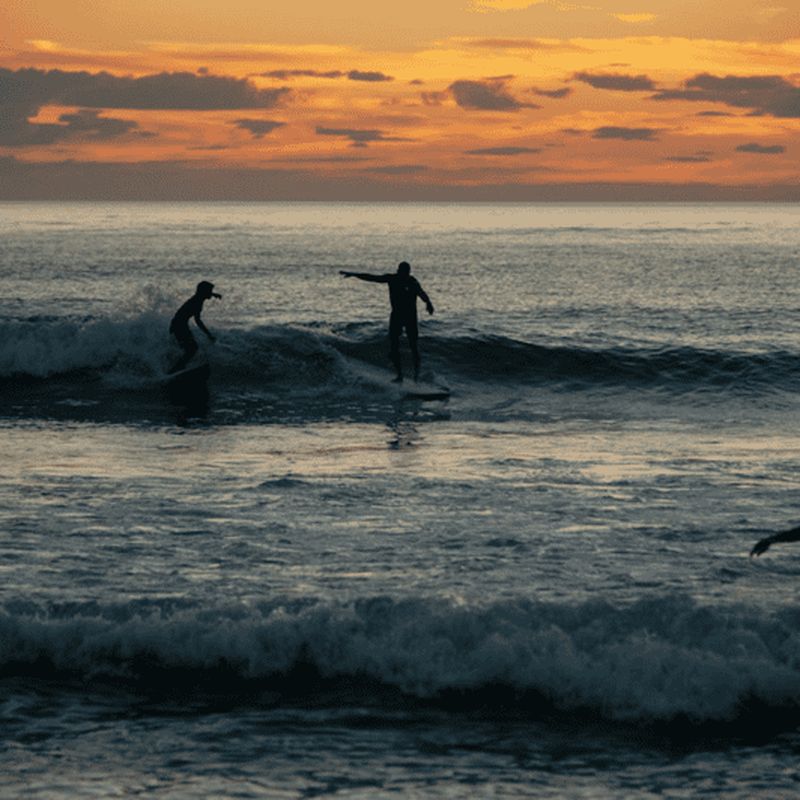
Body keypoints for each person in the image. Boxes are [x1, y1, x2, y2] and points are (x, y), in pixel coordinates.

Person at [340, 261, 434, 382]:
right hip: (397, 316)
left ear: (408, 272)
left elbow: (421, 293)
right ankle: (399, 375)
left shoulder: (412, 281)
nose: (404, 274)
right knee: (394, 346)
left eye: (406, 272)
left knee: (413, 346)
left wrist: (428, 303)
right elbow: (372, 278)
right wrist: (355, 274)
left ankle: (416, 376)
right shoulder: (392, 279)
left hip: (410, 317)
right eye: (402, 271)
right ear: (398, 270)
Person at [168, 280, 221, 373]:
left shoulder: (198, 298)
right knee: (192, 349)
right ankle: (175, 370)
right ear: (204, 292)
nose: (211, 293)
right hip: (179, 326)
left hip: (179, 324)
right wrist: (208, 334)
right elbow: (198, 321)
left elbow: (204, 293)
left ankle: (178, 368)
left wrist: (214, 294)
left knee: (190, 349)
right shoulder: (197, 302)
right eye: (210, 291)